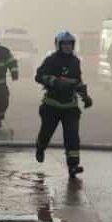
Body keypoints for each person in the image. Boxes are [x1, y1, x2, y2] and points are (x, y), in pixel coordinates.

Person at [34, 31, 93, 179]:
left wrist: (85, 97)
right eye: (64, 44)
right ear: (59, 45)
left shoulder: (75, 62)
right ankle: (40, 147)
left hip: (70, 107)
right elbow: (39, 76)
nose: (67, 46)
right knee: (46, 133)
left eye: (70, 44)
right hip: (51, 106)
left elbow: (77, 81)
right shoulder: (51, 60)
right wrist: (54, 81)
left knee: (72, 137)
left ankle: (73, 166)